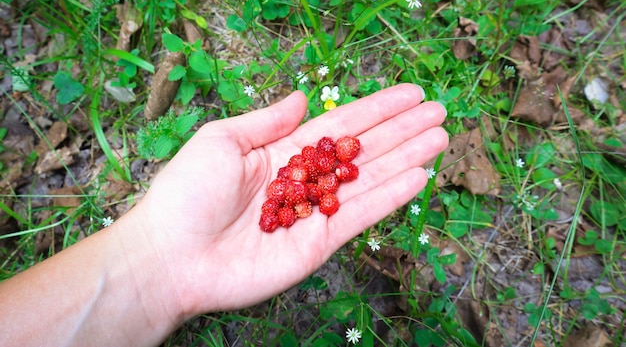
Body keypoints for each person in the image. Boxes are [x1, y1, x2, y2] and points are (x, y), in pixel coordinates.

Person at [0, 83, 448, 346]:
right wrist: (156, 251)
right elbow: (298, 190)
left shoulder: (306, 181)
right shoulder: (293, 184)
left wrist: (153, 261)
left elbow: (308, 187)